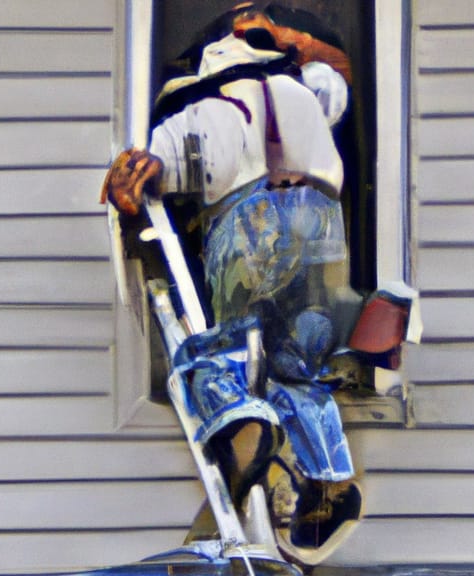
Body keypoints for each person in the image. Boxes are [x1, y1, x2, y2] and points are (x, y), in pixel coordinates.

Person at [101, 3, 363, 559]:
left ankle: (242, 422)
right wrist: (295, 43)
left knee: (227, 349)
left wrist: (132, 180)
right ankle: (329, 478)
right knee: (299, 365)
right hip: (320, 221)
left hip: (245, 228)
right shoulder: (304, 89)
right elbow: (335, 81)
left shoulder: (194, 115)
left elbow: (152, 171)